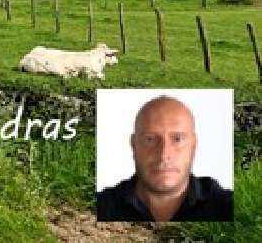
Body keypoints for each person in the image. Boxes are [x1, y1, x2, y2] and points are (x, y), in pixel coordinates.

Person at [96, 95, 232, 222]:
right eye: (150, 139)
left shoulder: (227, 206)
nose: (164, 155)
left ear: (193, 145)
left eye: (177, 139)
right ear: (133, 145)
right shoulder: (100, 207)